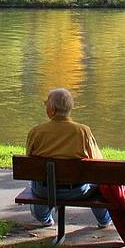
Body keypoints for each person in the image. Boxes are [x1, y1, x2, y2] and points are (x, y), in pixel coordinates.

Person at [24, 87, 111, 228]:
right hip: (77, 191)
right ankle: (104, 220)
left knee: (34, 183)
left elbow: (28, 161)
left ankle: (45, 218)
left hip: (45, 191)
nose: (45, 107)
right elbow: (98, 163)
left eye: (46, 104)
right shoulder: (82, 131)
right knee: (98, 183)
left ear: (52, 109)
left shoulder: (36, 132)